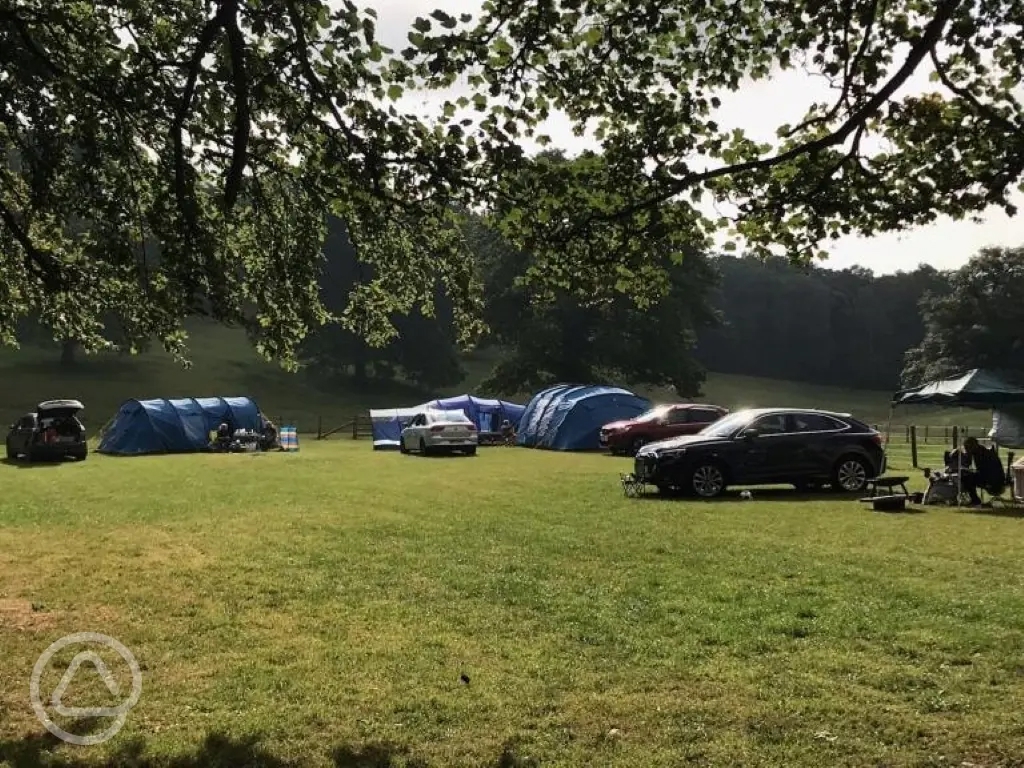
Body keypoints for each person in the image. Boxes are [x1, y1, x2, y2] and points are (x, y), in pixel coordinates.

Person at [960, 437, 1006, 506]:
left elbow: (984, 471)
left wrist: (968, 468)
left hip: (992, 481)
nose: (966, 450)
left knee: (966, 478)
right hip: (993, 479)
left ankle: (975, 500)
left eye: (967, 447)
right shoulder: (981, 451)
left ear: (973, 446)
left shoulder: (981, 454)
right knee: (968, 476)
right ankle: (974, 500)